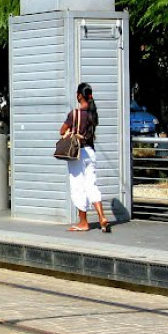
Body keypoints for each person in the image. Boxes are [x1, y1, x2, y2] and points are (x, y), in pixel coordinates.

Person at [63, 83, 112, 233]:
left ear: (79, 95)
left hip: (78, 153)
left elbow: (62, 130)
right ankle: (102, 217)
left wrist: (71, 131)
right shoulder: (92, 114)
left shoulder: (74, 114)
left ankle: (83, 222)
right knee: (92, 185)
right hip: (91, 152)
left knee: (78, 186)